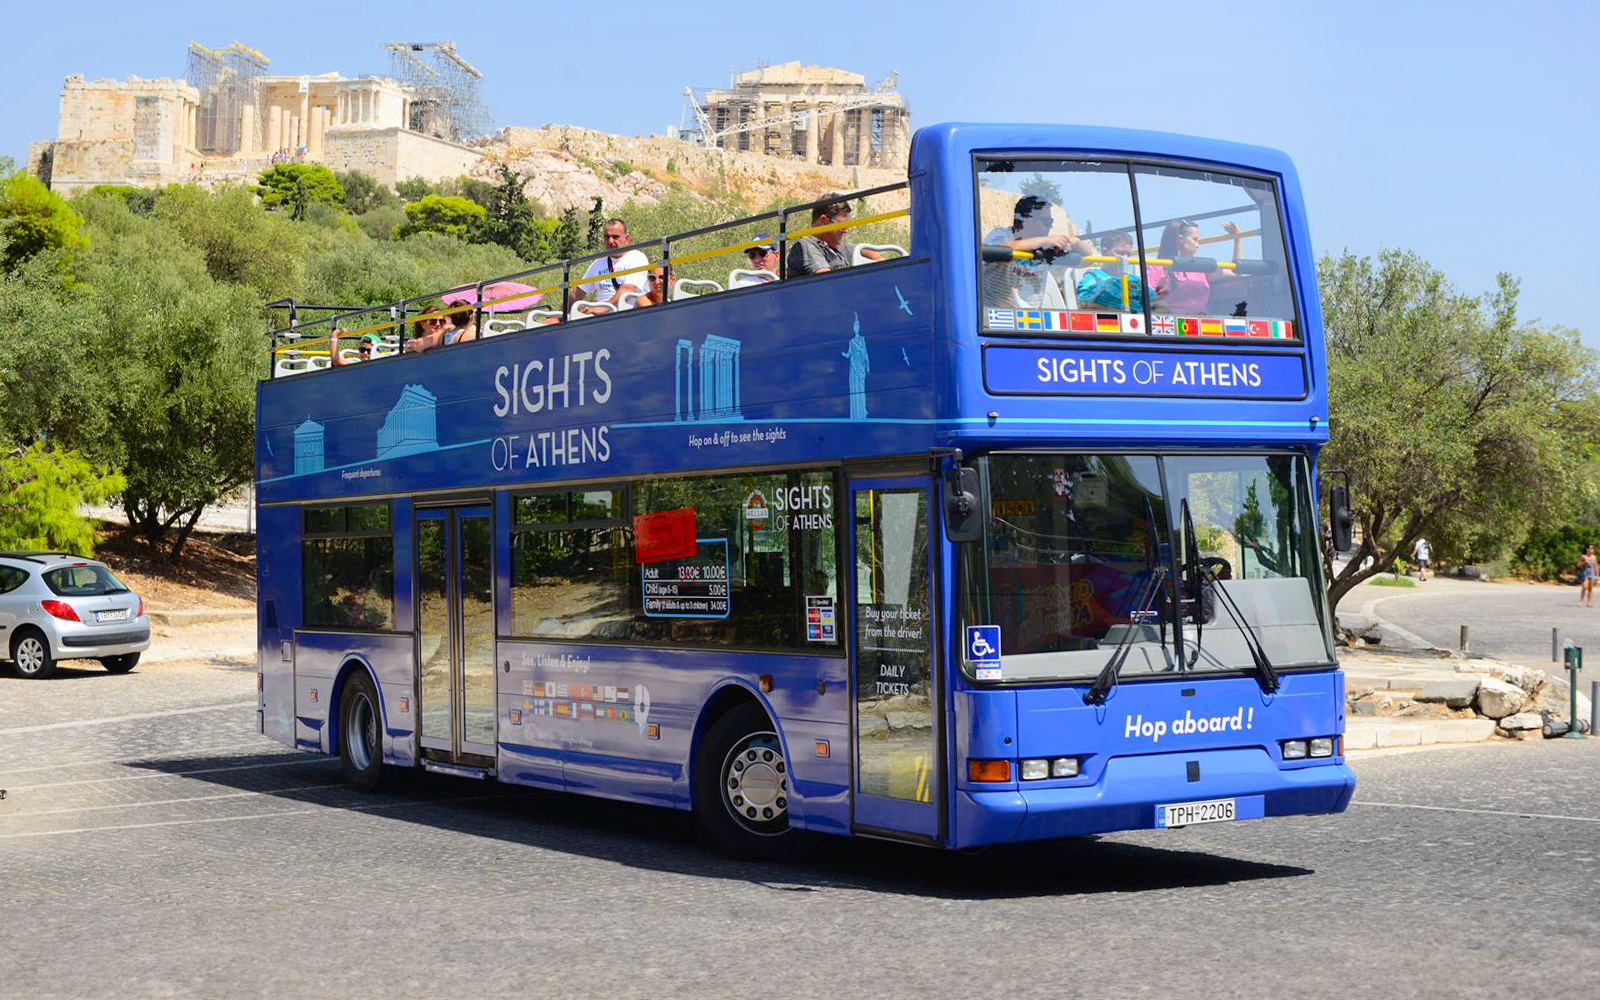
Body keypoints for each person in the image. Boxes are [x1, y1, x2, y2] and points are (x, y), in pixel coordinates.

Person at [982, 195, 1091, 308]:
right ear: (1026, 219)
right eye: (1046, 221)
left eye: (1051, 221)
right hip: (993, 315)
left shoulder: (1045, 247)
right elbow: (1002, 251)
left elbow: (1087, 260)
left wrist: (1075, 242)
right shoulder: (1002, 235)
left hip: (1029, 319)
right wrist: (1046, 240)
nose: (1050, 226)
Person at [1147, 218, 1244, 315]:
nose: (1198, 245)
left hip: (1202, 324)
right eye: (1195, 239)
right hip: (1172, 325)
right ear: (1180, 239)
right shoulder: (1158, 267)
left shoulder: (1201, 267)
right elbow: (1146, 297)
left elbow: (1236, 272)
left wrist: (1237, 238)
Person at [787, 195, 882, 277]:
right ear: (823, 221)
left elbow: (865, 251)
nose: (846, 231)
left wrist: (878, 260)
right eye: (842, 227)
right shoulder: (807, 245)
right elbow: (826, 279)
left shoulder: (837, 247)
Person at [574, 218, 650, 315]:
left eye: (615, 237)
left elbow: (628, 289)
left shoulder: (637, 258)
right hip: (600, 317)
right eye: (607, 237)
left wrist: (603, 307)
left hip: (628, 316)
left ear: (626, 239)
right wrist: (558, 316)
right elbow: (577, 292)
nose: (610, 241)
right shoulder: (598, 262)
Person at [1074, 231, 1149, 312]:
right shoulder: (1094, 277)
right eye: (1120, 253)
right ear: (1104, 252)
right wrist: (1122, 314)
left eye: (1128, 254)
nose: (1125, 258)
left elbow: (1156, 303)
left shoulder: (1136, 280)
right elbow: (1084, 306)